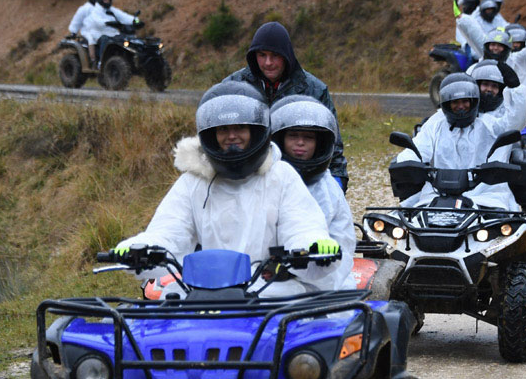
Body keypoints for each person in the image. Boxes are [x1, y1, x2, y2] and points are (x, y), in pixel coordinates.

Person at [114, 90, 338, 294]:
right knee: (165, 315)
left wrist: (313, 244)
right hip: (203, 290)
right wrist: (140, 249)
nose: (232, 135)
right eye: (223, 129)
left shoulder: (280, 175)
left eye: (240, 127)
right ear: (211, 134)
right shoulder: (193, 181)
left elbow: (301, 226)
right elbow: (169, 232)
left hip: (267, 289)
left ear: (255, 130)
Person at [224, 21, 348, 190]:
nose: (268, 62)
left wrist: (337, 184)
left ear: (287, 55)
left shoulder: (314, 90)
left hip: (299, 180)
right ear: (253, 56)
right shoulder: (233, 86)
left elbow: (333, 146)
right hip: (246, 178)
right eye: (262, 55)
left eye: (274, 55)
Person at [396, 73, 519, 211]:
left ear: (473, 101)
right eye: (455, 102)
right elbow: (419, 148)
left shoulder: (489, 125)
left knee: (504, 227)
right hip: (438, 194)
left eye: (465, 101)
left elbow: (516, 120)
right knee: (404, 219)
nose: (461, 106)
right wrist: (405, 162)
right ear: (446, 104)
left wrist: (517, 90)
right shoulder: (435, 124)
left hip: (484, 194)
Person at [270, 96, 356, 290]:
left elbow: (344, 240)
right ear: (280, 139)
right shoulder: (266, 179)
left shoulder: (328, 189)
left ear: (320, 143)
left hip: (323, 282)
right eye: (293, 136)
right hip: (268, 279)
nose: (300, 143)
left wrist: (324, 256)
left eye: (308, 138)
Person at [468, 59, 526, 134]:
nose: (489, 89)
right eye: (485, 84)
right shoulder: (466, 109)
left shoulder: (504, 114)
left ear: (500, 90)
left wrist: (517, 88)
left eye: (494, 86)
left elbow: (517, 121)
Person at [84, 0, 138, 70]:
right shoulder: (95, 10)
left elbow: (124, 16)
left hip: (112, 33)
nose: (107, 1)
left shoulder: (111, 9)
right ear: (100, 0)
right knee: (105, 40)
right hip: (98, 33)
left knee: (125, 39)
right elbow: (98, 21)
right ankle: (101, 63)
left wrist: (135, 20)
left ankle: (130, 61)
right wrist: (108, 23)